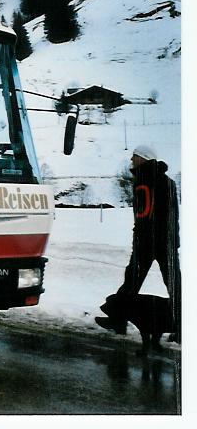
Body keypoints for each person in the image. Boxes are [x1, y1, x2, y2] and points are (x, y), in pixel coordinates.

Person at [95, 145, 181, 342]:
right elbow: (170, 215)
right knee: (173, 285)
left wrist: (142, 240)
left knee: (133, 282)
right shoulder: (164, 182)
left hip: (152, 243)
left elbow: (145, 216)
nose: (131, 160)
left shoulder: (146, 182)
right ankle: (182, 326)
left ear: (143, 158)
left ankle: (118, 320)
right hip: (162, 243)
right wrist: (172, 241)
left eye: (134, 157)